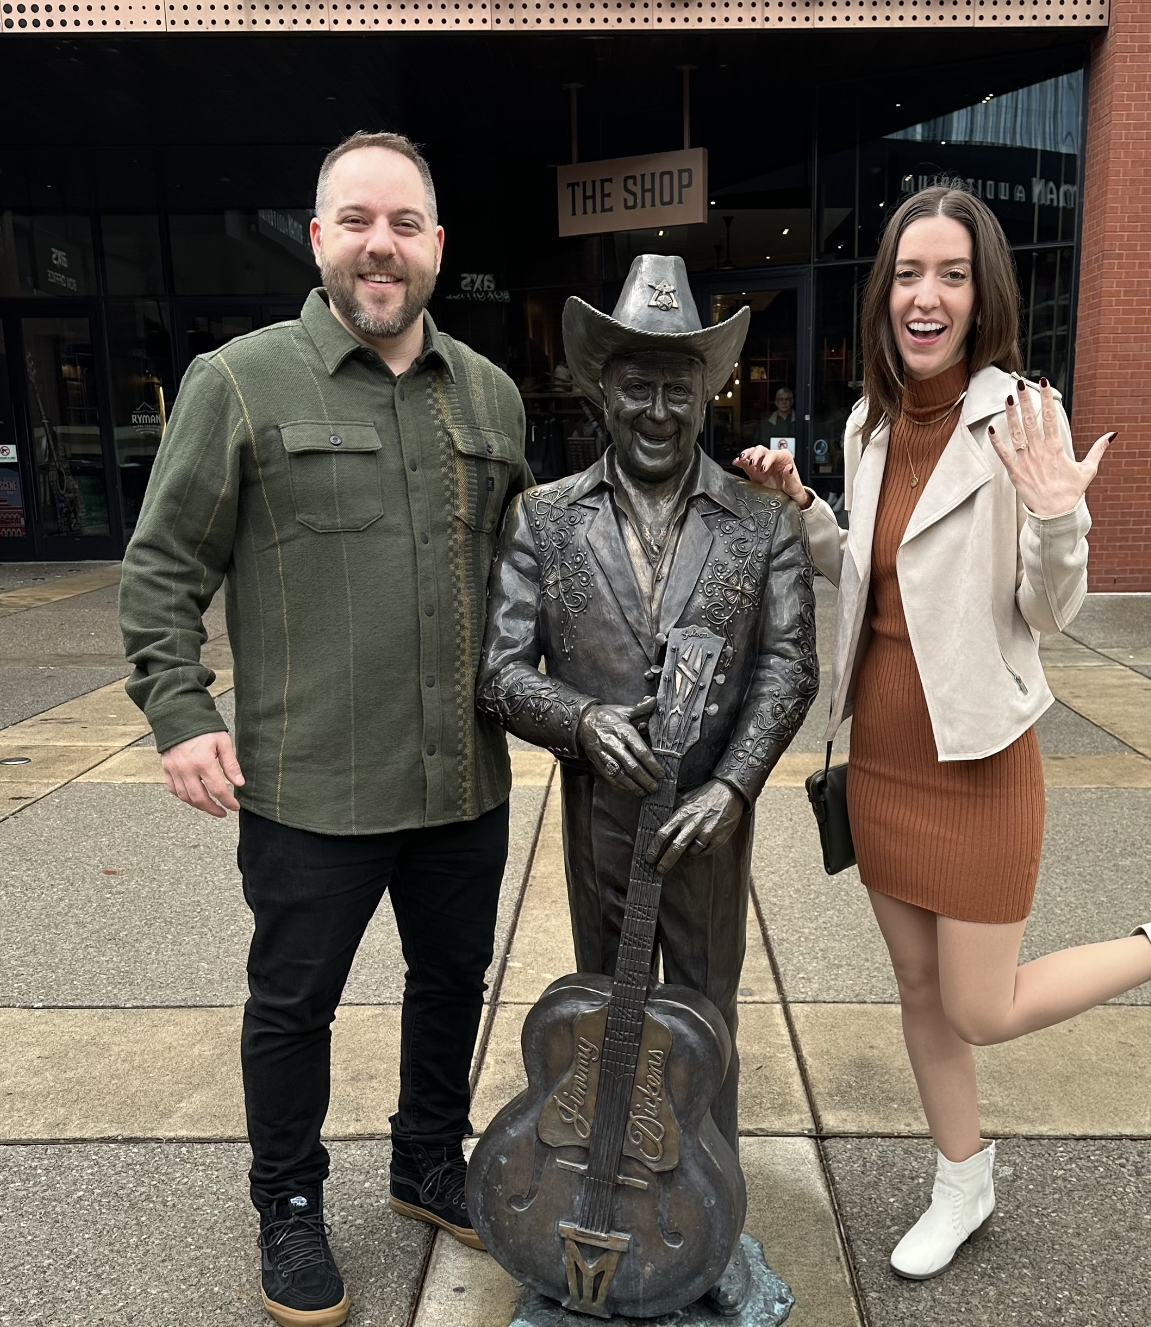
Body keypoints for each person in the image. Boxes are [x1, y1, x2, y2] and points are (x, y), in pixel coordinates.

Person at [734, 186, 1151, 1283]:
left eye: (949, 275)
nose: (924, 297)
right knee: (920, 992)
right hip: (881, 758)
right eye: (906, 274)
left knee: (981, 1004)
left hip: (978, 764)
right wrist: (803, 512)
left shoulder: (1023, 417)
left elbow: (1047, 609)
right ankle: (962, 1175)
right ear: (884, 291)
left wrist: (1062, 517)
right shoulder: (871, 419)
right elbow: (871, 582)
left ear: (983, 296)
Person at [119, 131, 532, 1327]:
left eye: (403, 223)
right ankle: (290, 1209)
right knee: (293, 1007)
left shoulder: (492, 397)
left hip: (463, 782)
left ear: (437, 246)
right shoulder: (240, 382)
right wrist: (179, 711)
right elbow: (161, 568)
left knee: (453, 980)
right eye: (356, 221)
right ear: (318, 240)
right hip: (309, 791)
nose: (380, 245)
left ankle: (423, 1160)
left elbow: (527, 584)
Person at [477, 253, 819, 1312]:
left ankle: (709, 1238)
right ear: (601, 387)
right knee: (608, 1030)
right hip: (601, 825)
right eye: (638, 383)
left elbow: (788, 664)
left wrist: (735, 786)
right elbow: (499, 671)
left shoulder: (762, 523)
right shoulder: (545, 517)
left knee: (706, 1025)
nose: (659, 407)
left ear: (710, 390)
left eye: (681, 384)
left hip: (711, 828)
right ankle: (614, 1211)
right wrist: (577, 721)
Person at [753, 386, 798, 453]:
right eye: (780, 399)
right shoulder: (765, 424)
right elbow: (756, 447)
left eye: (787, 399)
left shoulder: (800, 421)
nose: (784, 402)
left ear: (792, 401)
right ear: (776, 403)